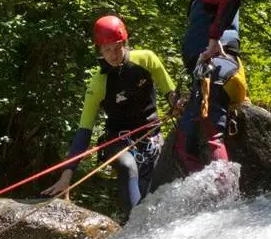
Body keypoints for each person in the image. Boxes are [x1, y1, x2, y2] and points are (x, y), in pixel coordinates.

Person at [40, 15, 176, 219]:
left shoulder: (147, 59)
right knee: (128, 167)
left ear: (125, 43)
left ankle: (146, 228)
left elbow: (170, 92)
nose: (112, 55)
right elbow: (84, 131)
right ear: (100, 51)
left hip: (151, 137)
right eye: (106, 50)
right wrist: (67, 175)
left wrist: (178, 104)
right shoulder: (98, 84)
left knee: (153, 194)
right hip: (118, 140)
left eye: (116, 47)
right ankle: (135, 226)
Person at [166, 0, 249, 176]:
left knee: (208, 134)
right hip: (209, 71)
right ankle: (206, 198)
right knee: (185, 140)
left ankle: (223, 194)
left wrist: (213, 40)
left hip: (217, 68)